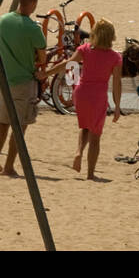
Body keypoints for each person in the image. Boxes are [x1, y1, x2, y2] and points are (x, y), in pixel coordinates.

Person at [45, 19, 122, 181]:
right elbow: (116, 84)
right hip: (98, 96)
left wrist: (46, 73)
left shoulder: (85, 49)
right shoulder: (114, 57)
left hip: (81, 93)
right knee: (96, 136)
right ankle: (90, 174)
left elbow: (68, 64)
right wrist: (117, 107)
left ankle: (78, 152)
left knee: (85, 126)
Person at [0, 0, 46, 178]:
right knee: (20, 126)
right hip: (23, 81)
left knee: (3, 121)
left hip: (5, 79)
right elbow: (42, 57)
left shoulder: (4, 21)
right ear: (32, 3)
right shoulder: (33, 28)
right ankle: (8, 166)